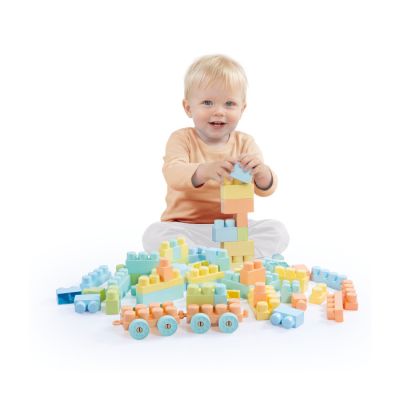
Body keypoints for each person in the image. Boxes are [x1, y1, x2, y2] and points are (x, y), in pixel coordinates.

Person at [142, 54, 289, 258]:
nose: (219, 111)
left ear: (242, 108)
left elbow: (263, 188)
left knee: (277, 230)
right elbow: (173, 173)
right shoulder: (181, 139)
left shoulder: (245, 143)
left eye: (229, 104)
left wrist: (263, 173)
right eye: (208, 102)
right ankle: (202, 256)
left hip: (233, 230)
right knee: (154, 234)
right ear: (188, 108)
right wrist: (205, 170)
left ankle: (236, 256)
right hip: (187, 228)